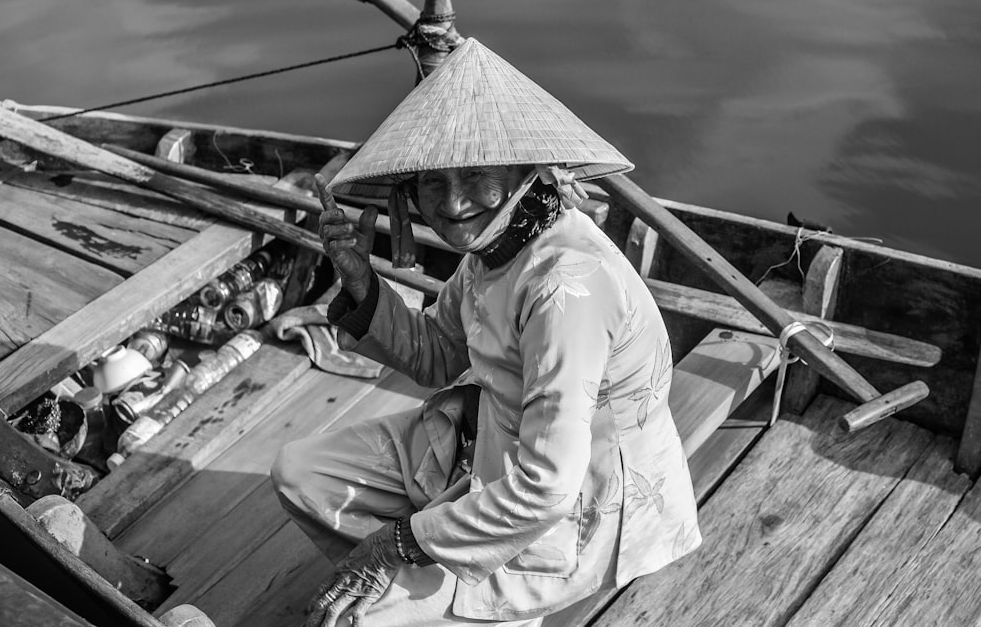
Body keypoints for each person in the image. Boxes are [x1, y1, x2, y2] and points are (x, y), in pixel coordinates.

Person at [271, 38, 701, 627]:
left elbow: (548, 488)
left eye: (476, 175)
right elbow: (440, 355)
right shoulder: (493, 251)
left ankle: (471, 599)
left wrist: (394, 544)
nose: (451, 204)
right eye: (431, 183)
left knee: (355, 621)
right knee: (300, 472)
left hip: (578, 508)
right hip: (488, 442)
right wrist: (361, 284)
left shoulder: (564, 287)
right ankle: (432, 577)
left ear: (526, 172)